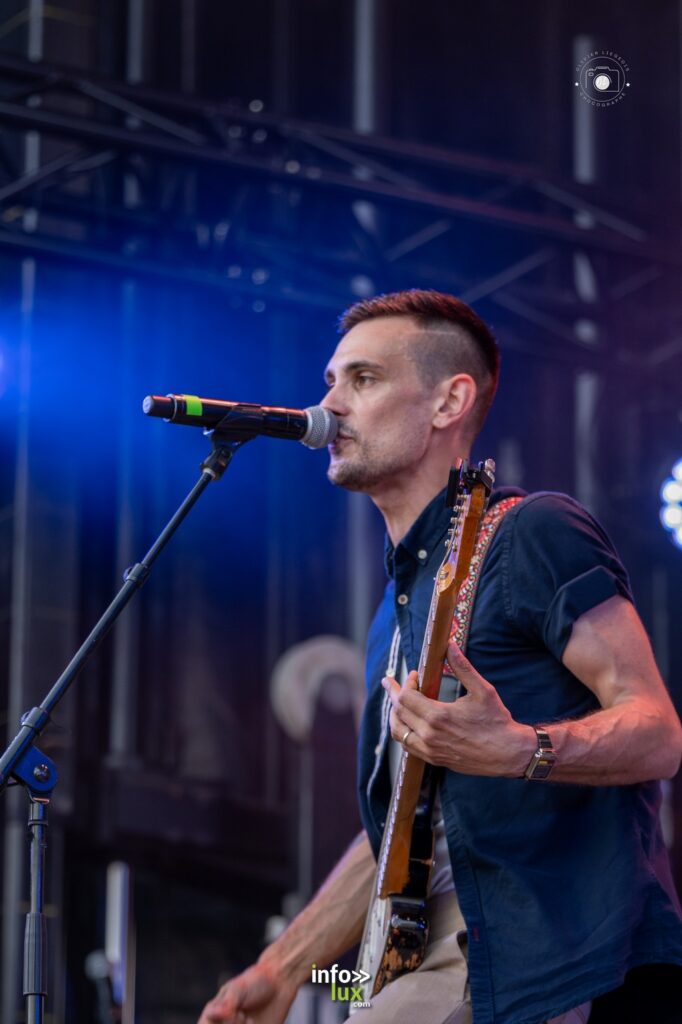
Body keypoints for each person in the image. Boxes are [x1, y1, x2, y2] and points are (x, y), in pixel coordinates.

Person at [198, 290, 682, 1024]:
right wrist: (283, 967)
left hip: (533, 956)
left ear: (448, 402)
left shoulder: (531, 533)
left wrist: (519, 749)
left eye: (363, 379)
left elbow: (658, 731)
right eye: (331, 381)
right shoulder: (393, 616)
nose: (330, 404)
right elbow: (402, 831)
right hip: (415, 961)